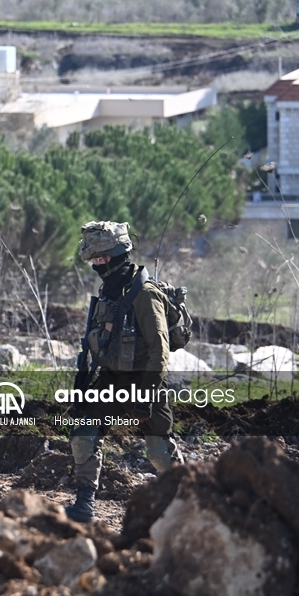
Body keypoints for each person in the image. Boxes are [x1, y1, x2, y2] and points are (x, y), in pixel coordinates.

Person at [66, 221, 182, 523]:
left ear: (119, 254)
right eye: (94, 260)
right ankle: (84, 503)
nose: (98, 265)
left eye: (102, 258)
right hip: (112, 379)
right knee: (83, 431)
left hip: (146, 380)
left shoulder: (144, 294)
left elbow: (160, 351)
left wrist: (146, 396)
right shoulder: (109, 292)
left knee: (158, 450)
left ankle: (186, 502)